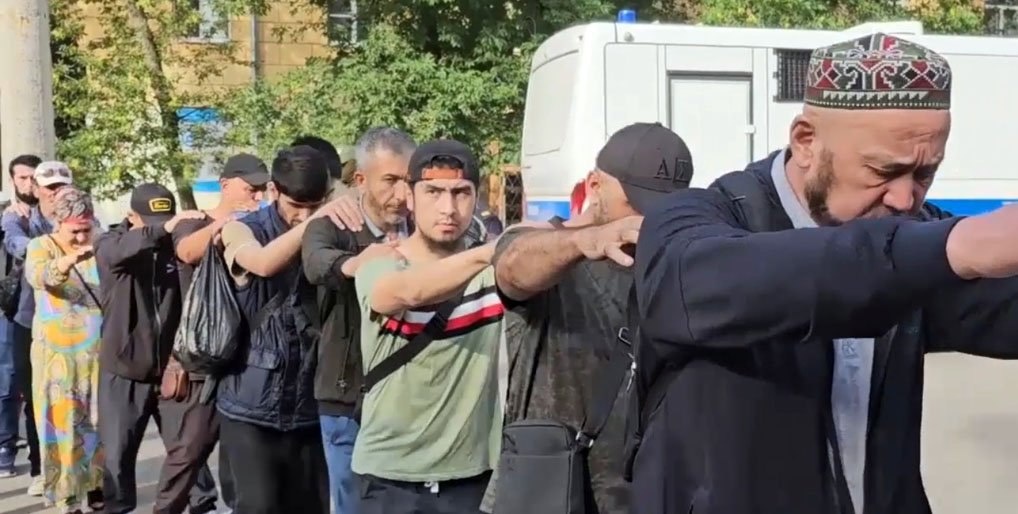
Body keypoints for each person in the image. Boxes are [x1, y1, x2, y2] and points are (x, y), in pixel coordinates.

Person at [632, 33, 1018, 514]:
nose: (904, 199)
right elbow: (708, 286)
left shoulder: (913, 233)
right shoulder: (699, 221)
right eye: (882, 171)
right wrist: (960, 245)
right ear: (806, 141)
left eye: (924, 174)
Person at [490, 123, 692, 514]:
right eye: (635, 201)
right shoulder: (545, 247)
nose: (645, 217)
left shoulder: (671, 263)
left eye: (662, 205)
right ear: (595, 185)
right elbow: (512, 268)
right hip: (551, 491)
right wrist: (588, 240)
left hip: (638, 491)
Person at [353, 139, 503, 514]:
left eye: (461, 193)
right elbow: (401, 293)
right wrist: (489, 252)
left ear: (476, 197)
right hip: (390, 478)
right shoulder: (381, 262)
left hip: (471, 477)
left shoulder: (495, 274)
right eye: (433, 192)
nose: (448, 208)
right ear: (410, 195)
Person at [216, 145, 346, 514]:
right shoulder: (242, 228)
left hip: (313, 404)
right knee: (258, 507)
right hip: (250, 406)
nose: (304, 215)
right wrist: (314, 224)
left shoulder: (336, 230)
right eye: (296, 207)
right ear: (274, 190)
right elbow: (260, 263)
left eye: (315, 206)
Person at [301, 126, 415, 514]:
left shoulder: (425, 228)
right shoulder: (333, 225)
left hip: (409, 398)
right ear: (361, 180)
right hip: (346, 397)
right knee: (353, 503)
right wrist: (355, 264)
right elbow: (316, 262)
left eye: (408, 181)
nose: (402, 194)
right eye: (390, 181)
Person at [94, 183, 216, 514]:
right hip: (124, 370)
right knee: (117, 455)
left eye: (165, 220)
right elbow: (117, 252)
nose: (160, 228)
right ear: (131, 216)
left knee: (190, 448)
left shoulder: (177, 243)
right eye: (150, 221)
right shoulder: (111, 242)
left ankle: (201, 505)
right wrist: (162, 228)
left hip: (173, 369)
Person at [169, 152, 269, 512]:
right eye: (249, 188)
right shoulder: (196, 221)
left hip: (249, 354)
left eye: (261, 189)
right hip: (205, 354)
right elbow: (186, 251)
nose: (256, 196)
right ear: (225, 184)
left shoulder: (261, 223)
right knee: (189, 450)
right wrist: (225, 224)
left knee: (239, 454)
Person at [23, 187, 104, 514]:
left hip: (98, 353)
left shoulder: (101, 244)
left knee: (98, 421)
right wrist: (68, 260)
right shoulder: (40, 246)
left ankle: (97, 486)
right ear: (58, 223)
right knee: (61, 426)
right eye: (75, 231)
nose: (82, 237)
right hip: (56, 356)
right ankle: (67, 497)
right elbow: (39, 276)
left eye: (87, 229)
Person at [1, 160, 76, 495]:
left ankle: (82, 470)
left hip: (76, 319)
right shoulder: (17, 217)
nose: (55, 193)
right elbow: (19, 246)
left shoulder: (83, 216)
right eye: (49, 187)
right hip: (30, 319)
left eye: (62, 186)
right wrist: (59, 244)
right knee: (35, 396)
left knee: (78, 396)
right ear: (36, 189)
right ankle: (40, 468)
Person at [0, 154, 41, 478]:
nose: (29, 184)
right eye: (22, 178)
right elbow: (16, 243)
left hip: (56, 311)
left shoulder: (55, 210)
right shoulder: (10, 216)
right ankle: (7, 447)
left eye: (33, 178)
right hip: (17, 311)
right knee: (12, 379)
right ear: (13, 180)